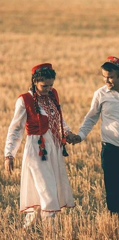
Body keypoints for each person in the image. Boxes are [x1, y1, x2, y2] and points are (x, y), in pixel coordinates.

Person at [67, 56, 119, 222]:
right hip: (111, 150)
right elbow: (91, 118)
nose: (107, 80)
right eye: (104, 76)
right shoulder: (100, 94)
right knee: (113, 192)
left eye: (111, 76)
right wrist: (81, 136)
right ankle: (118, 220)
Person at [4, 63, 75, 228]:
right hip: (38, 150)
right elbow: (16, 129)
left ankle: (31, 229)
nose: (49, 89)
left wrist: (68, 132)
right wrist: (9, 154)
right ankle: (51, 232)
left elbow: (59, 118)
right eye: (45, 85)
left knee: (52, 189)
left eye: (51, 85)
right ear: (35, 81)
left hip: (55, 148)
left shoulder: (53, 95)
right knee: (47, 191)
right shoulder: (24, 100)